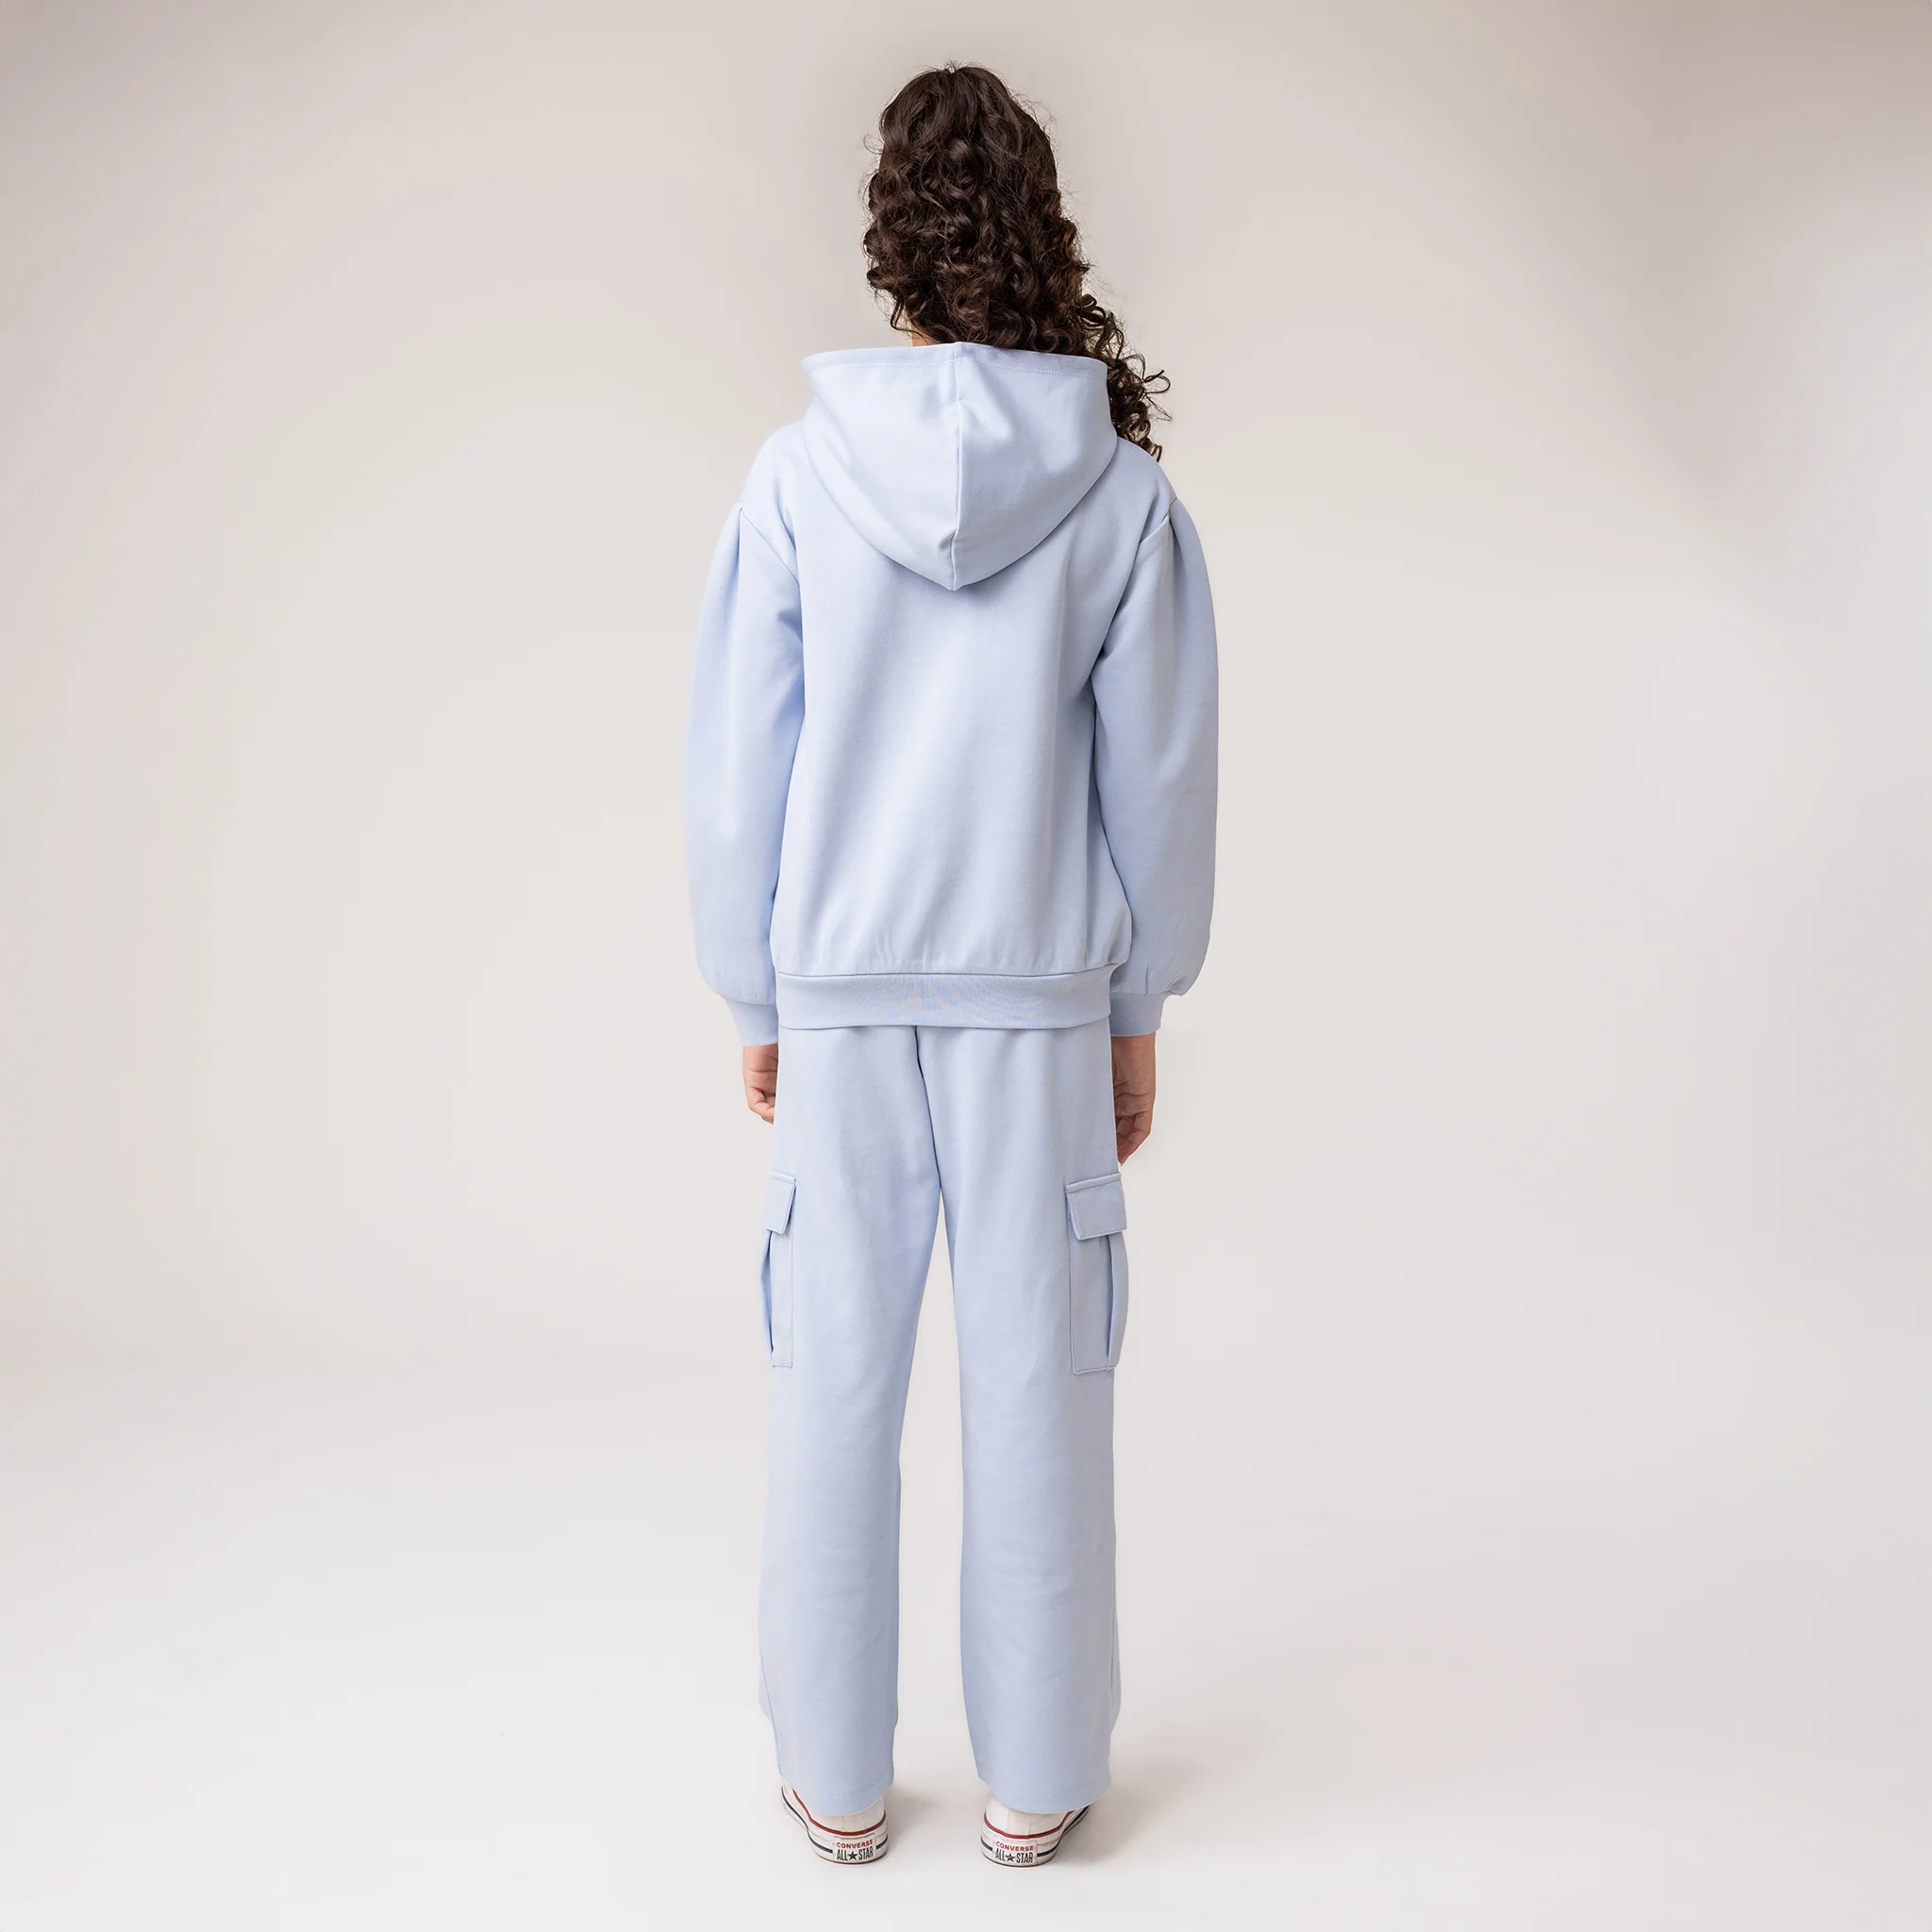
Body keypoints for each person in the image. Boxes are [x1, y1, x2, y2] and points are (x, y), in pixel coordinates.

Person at [684, 62, 1217, 1868]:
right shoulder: (1120, 496)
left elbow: (739, 763)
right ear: (1039, 234)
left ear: (891, 246)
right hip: (1040, 1010)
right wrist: (1138, 1010)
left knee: (831, 1380)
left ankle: (837, 1778)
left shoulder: (795, 478)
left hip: (843, 1006)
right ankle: (1039, 1775)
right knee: (1040, 1381)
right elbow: (1159, 784)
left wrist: (759, 993)